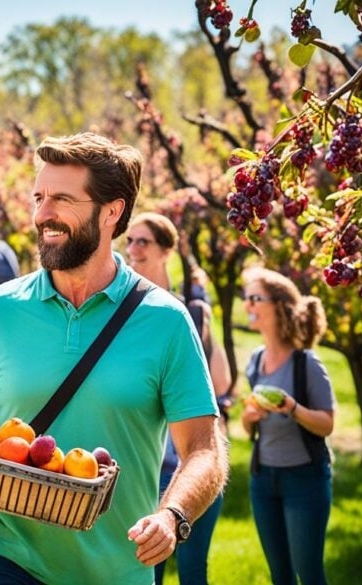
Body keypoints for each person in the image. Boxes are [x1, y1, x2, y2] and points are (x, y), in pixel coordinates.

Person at [0, 132, 228, 585]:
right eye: (39, 197)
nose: (43, 213)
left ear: (111, 211)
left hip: (117, 566)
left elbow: (203, 447)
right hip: (4, 551)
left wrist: (171, 515)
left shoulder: (165, 321)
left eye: (62, 199)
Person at [125, 212, 232, 585]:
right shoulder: (121, 311)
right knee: (142, 570)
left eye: (143, 241)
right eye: (130, 240)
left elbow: (221, 382)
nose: (133, 249)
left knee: (191, 570)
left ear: (166, 250)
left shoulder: (191, 311)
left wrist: (200, 327)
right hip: (142, 464)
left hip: (185, 460)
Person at [240, 267, 334, 585]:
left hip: (304, 479)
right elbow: (248, 424)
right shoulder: (255, 360)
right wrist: (249, 417)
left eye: (255, 298)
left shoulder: (306, 363)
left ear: (278, 306)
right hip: (263, 479)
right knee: (280, 575)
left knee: (308, 573)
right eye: (246, 298)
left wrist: (291, 407)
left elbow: (327, 424)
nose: (247, 305)